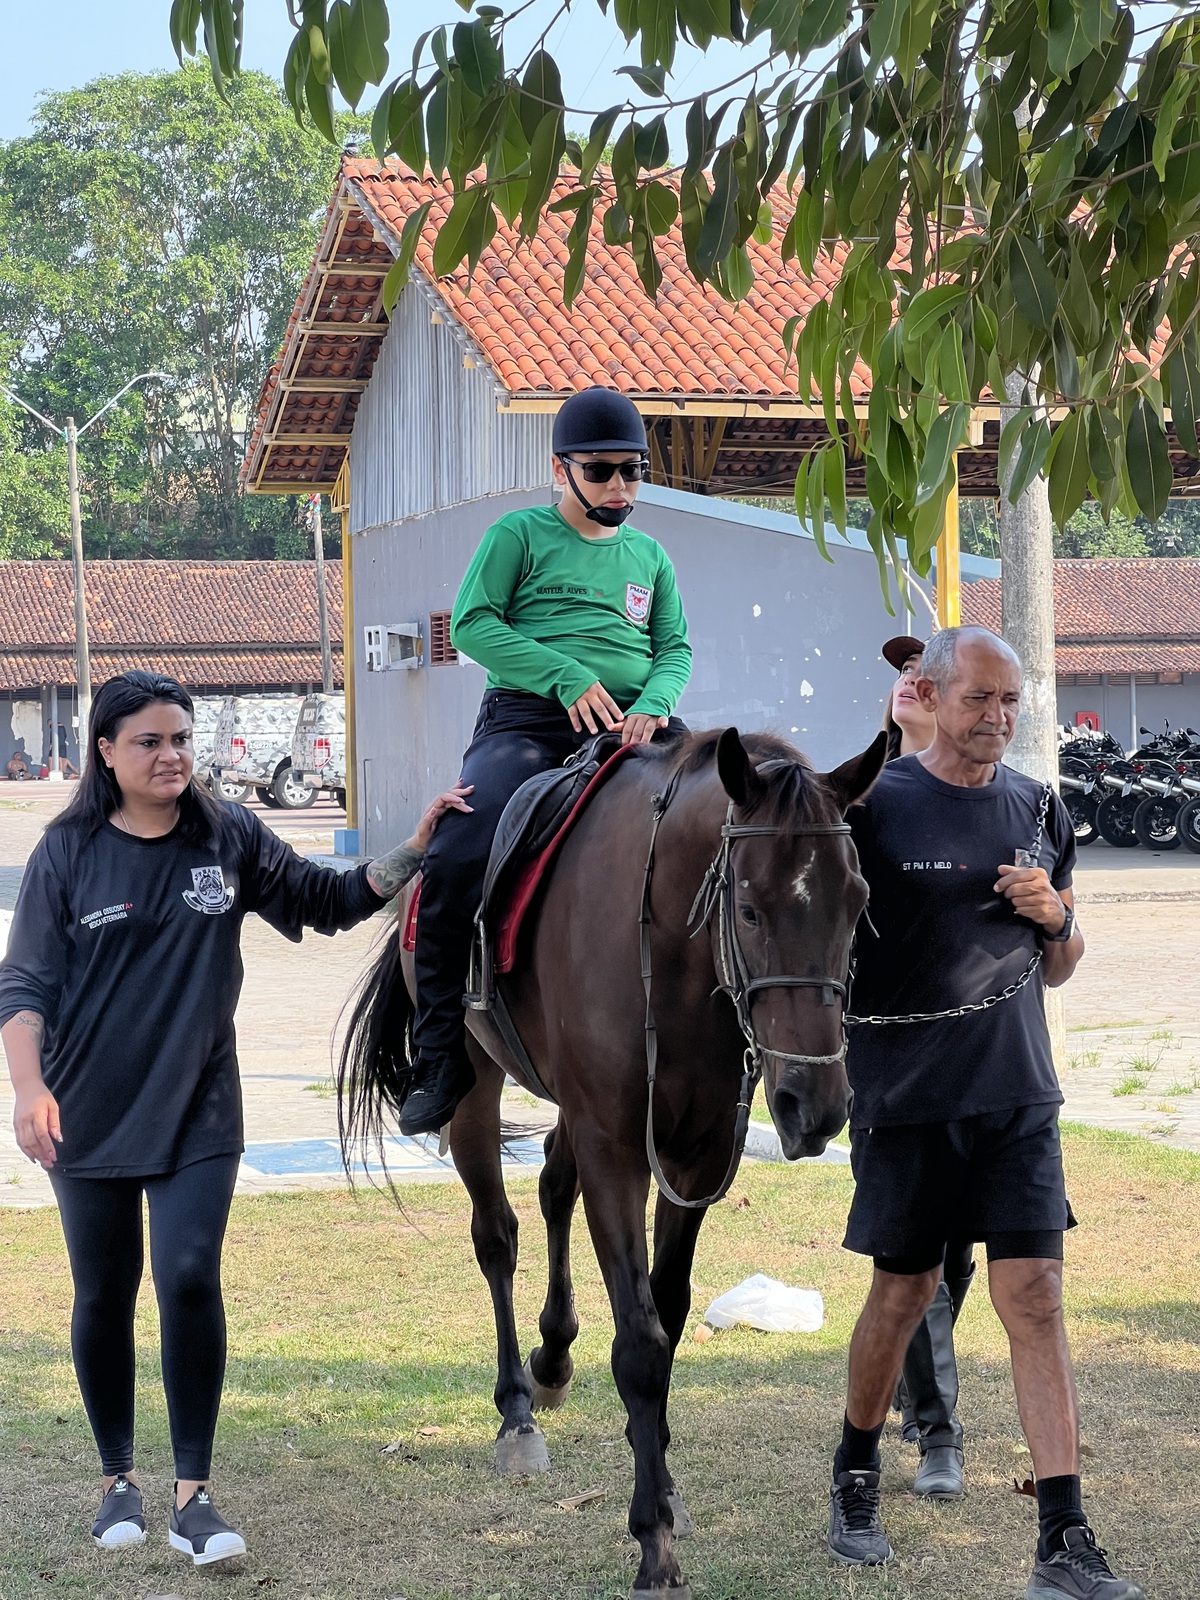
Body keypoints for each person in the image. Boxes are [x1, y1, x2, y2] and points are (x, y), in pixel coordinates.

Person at [1, 670, 470, 1566]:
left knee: (187, 1277)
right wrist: (29, 1088)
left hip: (200, 1106)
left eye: (181, 738)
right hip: (86, 1108)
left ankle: (194, 1496)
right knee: (103, 1291)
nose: (171, 756)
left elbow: (326, 900)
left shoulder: (229, 835)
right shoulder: (66, 853)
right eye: (149, 741)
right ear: (106, 751)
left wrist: (413, 849)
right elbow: (22, 986)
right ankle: (116, 1481)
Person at [829, 627, 1144, 1600]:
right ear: (929, 694)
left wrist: (1058, 918)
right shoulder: (871, 809)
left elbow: (1061, 965)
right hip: (906, 1098)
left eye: (1011, 700)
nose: (999, 718)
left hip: (1017, 1092)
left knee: (1036, 1295)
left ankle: (1064, 1542)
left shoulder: (1039, 806)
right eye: (980, 699)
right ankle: (854, 1475)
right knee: (904, 1293)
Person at [401, 386, 692, 1136]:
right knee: (459, 849)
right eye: (601, 471)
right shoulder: (518, 535)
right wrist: (564, 676)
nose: (620, 487)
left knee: (725, 820)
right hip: (529, 723)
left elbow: (675, 648)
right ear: (561, 469)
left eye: (633, 471)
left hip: (633, 725)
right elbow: (472, 625)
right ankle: (438, 1052)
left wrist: (655, 701)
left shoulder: (651, 556)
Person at [880, 633, 975, 1501]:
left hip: (981, 1067)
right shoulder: (861, 799)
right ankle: (937, 1432)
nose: (909, 682)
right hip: (894, 1071)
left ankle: (912, 1389)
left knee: (958, 1256)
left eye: (924, 674)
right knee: (918, 1264)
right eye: (902, 674)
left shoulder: (994, 796)